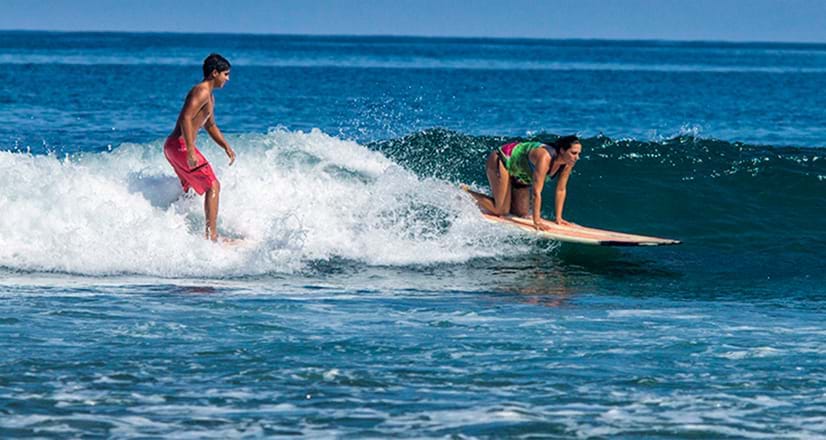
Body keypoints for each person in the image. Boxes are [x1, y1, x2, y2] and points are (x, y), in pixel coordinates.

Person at [164, 53, 236, 241]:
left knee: (189, 190)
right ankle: (211, 236)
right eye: (225, 74)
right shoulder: (201, 91)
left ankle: (174, 230)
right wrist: (189, 150)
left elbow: (210, 125)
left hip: (173, 147)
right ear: (214, 73)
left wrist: (225, 146)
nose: (227, 79)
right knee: (213, 186)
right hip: (180, 146)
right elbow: (186, 118)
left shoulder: (209, 97)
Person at [476, 136, 582, 231]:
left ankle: (501, 199)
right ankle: (466, 192)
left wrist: (559, 218)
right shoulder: (545, 157)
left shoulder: (567, 163)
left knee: (521, 214)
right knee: (501, 211)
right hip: (503, 159)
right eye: (573, 153)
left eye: (578, 154)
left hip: (520, 174)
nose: (577, 157)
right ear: (562, 150)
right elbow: (536, 192)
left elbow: (561, 190)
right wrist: (537, 221)